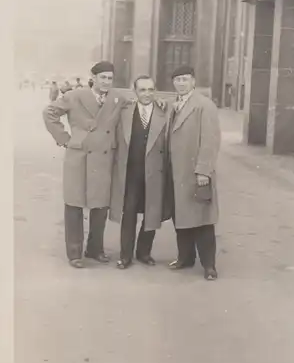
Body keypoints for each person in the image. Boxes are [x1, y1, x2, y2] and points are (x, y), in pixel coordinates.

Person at [43, 61, 127, 269]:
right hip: (79, 157)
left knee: (100, 206)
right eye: (103, 78)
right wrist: (64, 138)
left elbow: (141, 104)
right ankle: (74, 253)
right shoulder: (75, 95)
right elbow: (49, 113)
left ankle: (95, 249)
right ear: (94, 77)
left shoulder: (117, 98)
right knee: (74, 205)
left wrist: (159, 103)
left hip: (104, 158)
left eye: (110, 78)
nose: (106, 82)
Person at [164, 65, 221, 281]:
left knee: (203, 220)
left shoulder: (204, 106)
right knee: (182, 217)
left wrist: (204, 171)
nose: (181, 83)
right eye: (177, 80)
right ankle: (185, 258)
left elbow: (210, 140)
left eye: (185, 79)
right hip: (177, 172)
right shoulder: (173, 105)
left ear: (194, 82)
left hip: (196, 172)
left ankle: (209, 265)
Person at [109, 75, 167, 269]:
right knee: (129, 213)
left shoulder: (164, 112)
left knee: (151, 212)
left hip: (154, 172)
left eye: (151, 90)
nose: (147, 94)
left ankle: (144, 252)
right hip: (130, 172)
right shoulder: (125, 111)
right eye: (142, 90)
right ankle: (125, 255)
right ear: (135, 92)